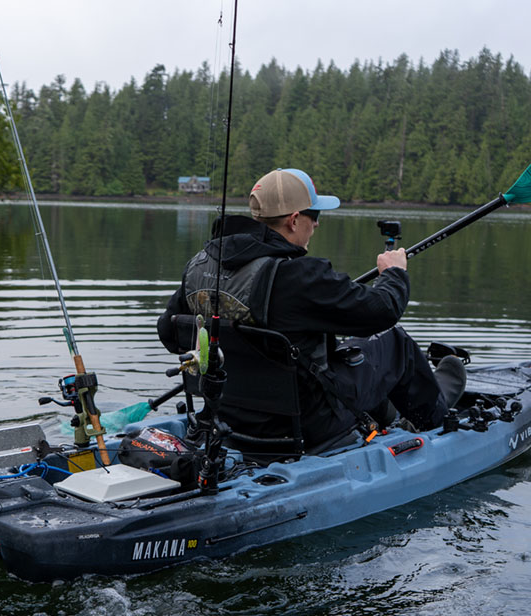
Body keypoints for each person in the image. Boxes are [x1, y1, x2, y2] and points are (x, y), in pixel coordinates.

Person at [157, 167, 466, 451]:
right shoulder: (299, 276)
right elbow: (383, 310)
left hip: (226, 420)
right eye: (314, 214)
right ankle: (438, 423)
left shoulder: (200, 266)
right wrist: (394, 273)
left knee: (351, 348)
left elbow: (170, 334)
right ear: (294, 220)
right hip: (311, 425)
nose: (317, 223)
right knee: (395, 344)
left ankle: (391, 415)